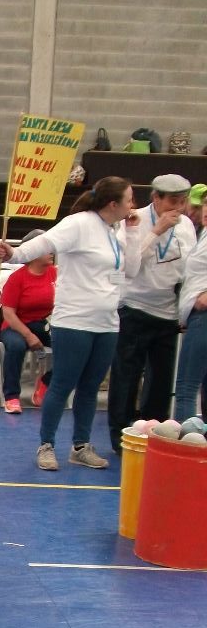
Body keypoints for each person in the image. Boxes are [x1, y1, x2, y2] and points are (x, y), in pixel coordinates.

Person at [0, 176, 141, 472]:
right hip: (74, 320)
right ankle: (46, 445)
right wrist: (14, 254)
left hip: (107, 322)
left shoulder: (118, 230)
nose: (133, 205)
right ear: (113, 204)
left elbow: (132, 269)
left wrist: (134, 232)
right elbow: (45, 242)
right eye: (129, 200)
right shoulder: (79, 223)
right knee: (63, 383)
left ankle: (80, 446)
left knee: (90, 387)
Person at [107, 173, 197, 452]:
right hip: (135, 308)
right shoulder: (134, 220)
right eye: (172, 201)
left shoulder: (186, 226)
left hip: (168, 314)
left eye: (182, 202)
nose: (178, 208)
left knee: (160, 382)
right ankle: (121, 437)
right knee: (127, 377)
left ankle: (154, 436)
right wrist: (156, 231)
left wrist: (185, 308)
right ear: (156, 198)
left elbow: (190, 268)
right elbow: (126, 264)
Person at [0, 249, 56, 414]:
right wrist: (29, 336)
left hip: (43, 323)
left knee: (72, 347)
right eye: (46, 250)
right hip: (15, 325)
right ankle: (11, 397)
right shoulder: (17, 278)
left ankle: (46, 383)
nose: (52, 252)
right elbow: (8, 314)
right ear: (33, 254)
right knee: (16, 346)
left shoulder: (55, 274)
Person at [174, 190, 207, 422]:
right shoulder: (203, 234)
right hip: (196, 316)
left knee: (186, 386)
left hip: (203, 317)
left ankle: (185, 441)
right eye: (205, 205)